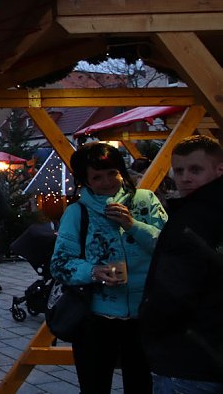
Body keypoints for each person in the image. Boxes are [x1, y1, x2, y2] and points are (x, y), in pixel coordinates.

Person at [50, 142, 167, 394]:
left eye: (112, 173)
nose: (106, 182)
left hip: (144, 313)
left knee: (142, 386)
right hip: (96, 317)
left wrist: (133, 224)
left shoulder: (144, 200)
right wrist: (93, 271)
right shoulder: (77, 212)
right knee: (94, 386)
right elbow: (60, 264)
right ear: (85, 181)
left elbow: (169, 247)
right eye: (97, 177)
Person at [140, 135, 223, 393]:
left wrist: (149, 328)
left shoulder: (192, 220)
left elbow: (173, 291)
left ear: (218, 169)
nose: (185, 177)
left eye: (195, 170)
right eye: (179, 170)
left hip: (189, 357)